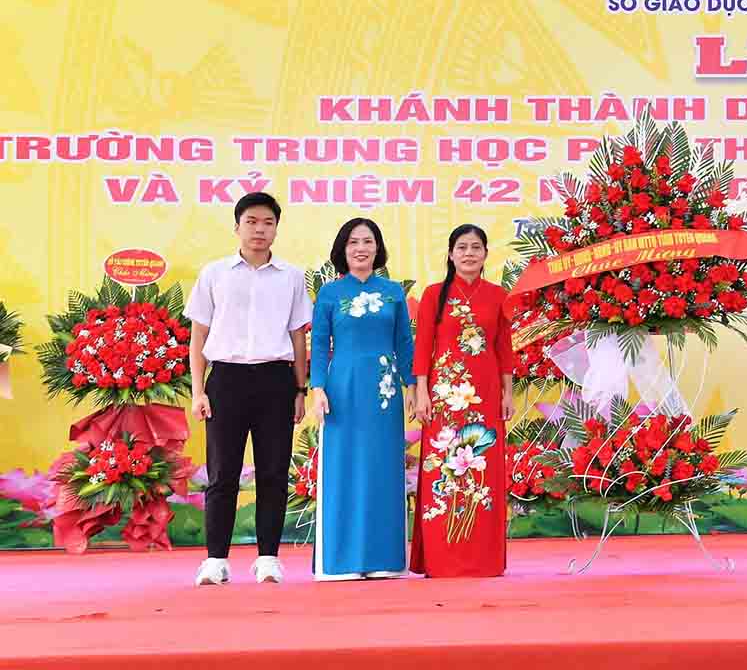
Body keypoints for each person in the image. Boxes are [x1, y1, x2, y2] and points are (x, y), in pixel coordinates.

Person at [187, 192, 313, 586]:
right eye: (252, 222)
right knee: (222, 473)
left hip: (276, 380)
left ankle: (268, 557)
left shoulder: (291, 276)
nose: (260, 230)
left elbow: (297, 337)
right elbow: (198, 337)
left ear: (277, 228)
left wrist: (299, 390)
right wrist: (198, 391)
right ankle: (215, 560)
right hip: (225, 379)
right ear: (237, 226)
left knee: (273, 473)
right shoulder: (214, 273)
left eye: (268, 223)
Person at [308, 218, 416, 581]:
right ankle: (342, 561)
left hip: (384, 390)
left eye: (368, 241)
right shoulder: (329, 294)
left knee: (382, 467)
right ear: (343, 249)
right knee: (345, 468)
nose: (361, 248)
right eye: (353, 242)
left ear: (377, 248)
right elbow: (320, 344)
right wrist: (318, 386)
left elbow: (405, 344)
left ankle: (384, 558)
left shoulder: (393, 292)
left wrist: (414, 386)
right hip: (341, 389)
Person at [410, 224, 516, 578]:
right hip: (444, 397)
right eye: (462, 247)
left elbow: (503, 348)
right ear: (451, 254)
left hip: (484, 395)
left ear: (486, 254)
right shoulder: (433, 294)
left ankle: (482, 559)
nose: (469, 253)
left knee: (482, 470)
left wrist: (508, 392)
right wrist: (421, 392)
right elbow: (423, 345)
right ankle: (442, 558)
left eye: (475, 247)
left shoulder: (498, 295)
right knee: (443, 468)